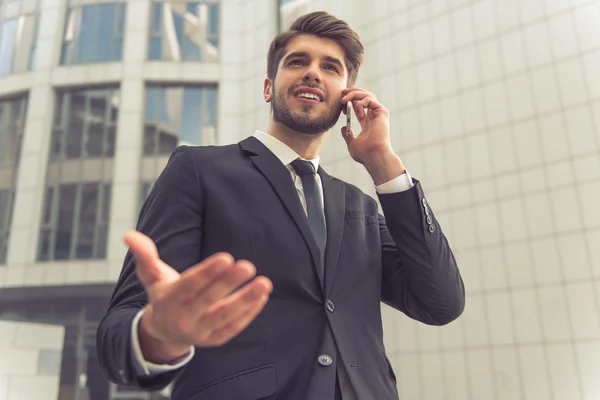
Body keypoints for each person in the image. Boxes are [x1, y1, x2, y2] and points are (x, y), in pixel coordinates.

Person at [97, 11, 465, 400]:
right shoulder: (199, 170)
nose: (312, 73)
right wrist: (158, 333)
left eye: (330, 67)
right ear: (268, 88)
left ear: (346, 100)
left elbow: (440, 302)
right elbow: (122, 322)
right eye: (297, 61)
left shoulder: (359, 205)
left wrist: (384, 165)